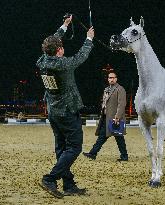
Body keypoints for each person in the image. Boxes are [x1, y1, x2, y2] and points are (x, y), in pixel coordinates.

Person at [36, 15, 95, 198]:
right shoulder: (63, 65)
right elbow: (81, 56)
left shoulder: (43, 60)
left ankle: (68, 185)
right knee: (75, 147)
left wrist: (64, 25)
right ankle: (50, 179)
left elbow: (52, 41)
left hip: (53, 112)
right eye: (61, 47)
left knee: (62, 149)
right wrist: (89, 39)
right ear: (59, 50)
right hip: (67, 112)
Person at [83, 72, 128, 161]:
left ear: (116, 79)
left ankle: (124, 156)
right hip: (106, 117)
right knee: (103, 137)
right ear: (108, 79)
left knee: (119, 138)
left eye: (113, 77)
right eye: (109, 78)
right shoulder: (106, 89)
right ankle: (93, 153)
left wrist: (117, 117)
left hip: (115, 119)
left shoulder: (120, 89)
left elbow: (122, 104)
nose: (111, 79)